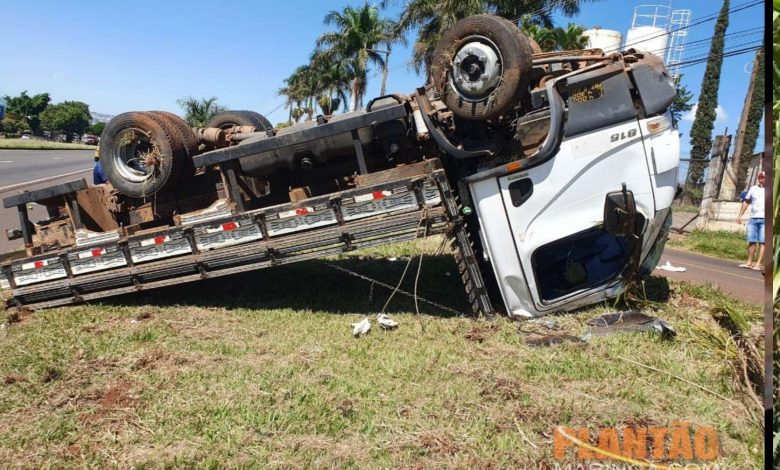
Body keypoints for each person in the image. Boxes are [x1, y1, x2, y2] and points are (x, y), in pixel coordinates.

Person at [736, 171, 765, 270]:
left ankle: (758, 264)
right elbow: (746, 202)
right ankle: (749, 262)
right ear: (759, 178)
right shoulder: (753, 189)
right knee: (751, 241)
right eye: (762, 177)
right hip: (753, 218)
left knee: (763, 241)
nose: (764, 179)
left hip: (765, 219)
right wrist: (740, 215)